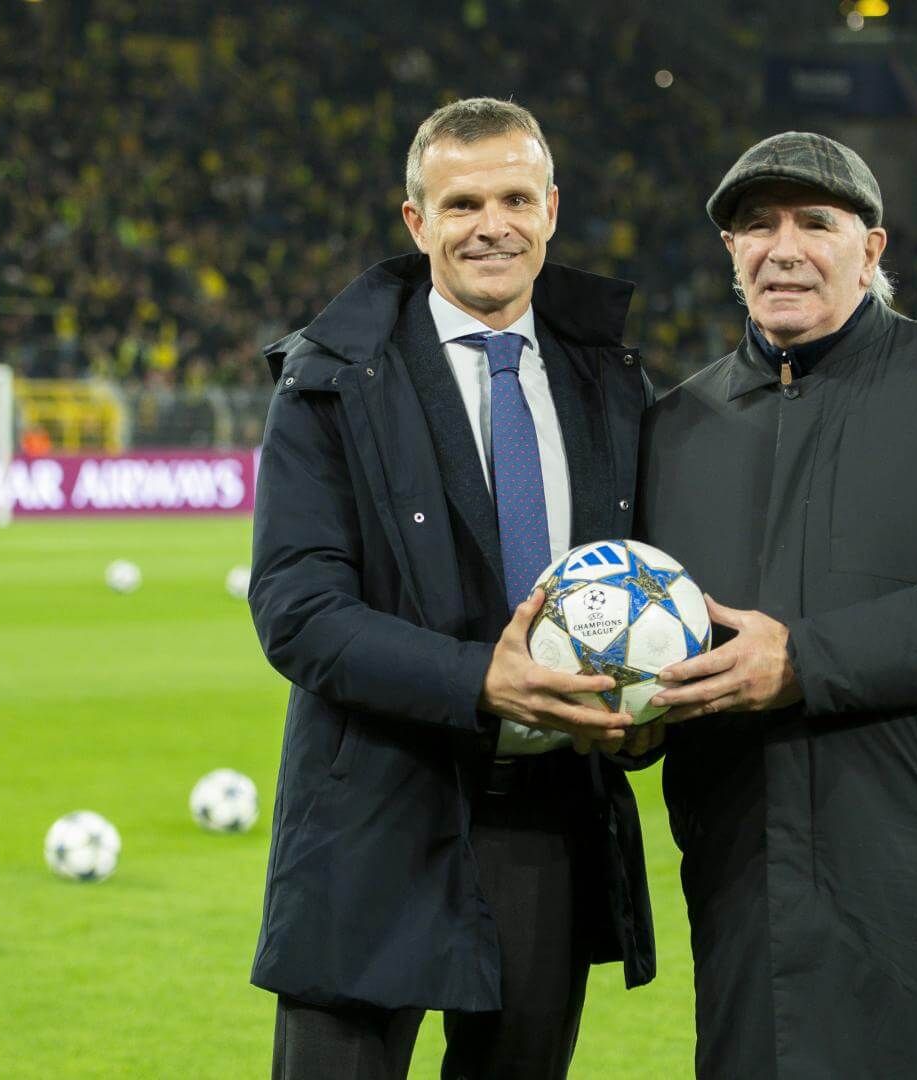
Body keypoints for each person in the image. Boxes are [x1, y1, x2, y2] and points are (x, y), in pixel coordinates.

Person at [640, 132, 917, 1078]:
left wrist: (803, 661)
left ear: (871, 250)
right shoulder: (674, 429)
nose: (784, 247)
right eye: (756, 227)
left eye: (817, 222)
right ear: (731, 254)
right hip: (748, 888)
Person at [247, 97, 657, 1080]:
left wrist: (649, 708)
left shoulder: (614, 386)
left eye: (515, 197)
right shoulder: (328, 385)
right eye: (462, 201)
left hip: (548, 814)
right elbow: (299, 614)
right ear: (416, 221)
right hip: (375, 808)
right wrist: (483, 681)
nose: (492, 225)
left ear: (552, 208)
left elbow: (651, 589)